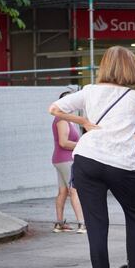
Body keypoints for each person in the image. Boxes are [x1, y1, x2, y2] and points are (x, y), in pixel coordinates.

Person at [48, 46, 135, 268]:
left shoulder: (89, 91)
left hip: (87, 160)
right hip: (120, 163)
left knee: (97, 224)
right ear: (132, 68)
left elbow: (54, 109)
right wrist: (133, 137)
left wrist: (84, 123)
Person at [51, 91, 86, 234]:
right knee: (74, 190)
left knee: (63, 192)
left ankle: (59, 224)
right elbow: (63, 142)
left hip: (61, 160)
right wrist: (83, 145)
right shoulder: (62, 119)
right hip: (66, 159)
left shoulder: (67, 119)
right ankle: (82, 224)